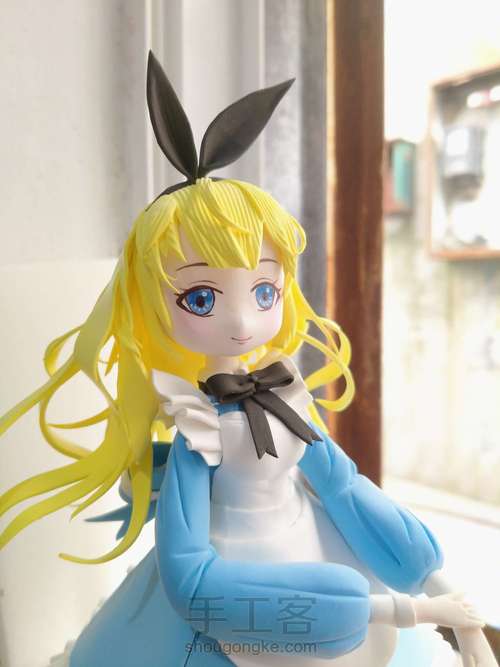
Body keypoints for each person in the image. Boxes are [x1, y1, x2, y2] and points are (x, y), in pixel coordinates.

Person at [0, 52, 496, 667]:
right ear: (156, 302)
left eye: (264, 292)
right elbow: (187, 570)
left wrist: (435, 582)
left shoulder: (286, 392)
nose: (240, 322)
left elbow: (343, 486)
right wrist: (405, 609)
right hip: (238, 582)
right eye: (201, 298)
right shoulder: (197, 426)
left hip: (317, 544)